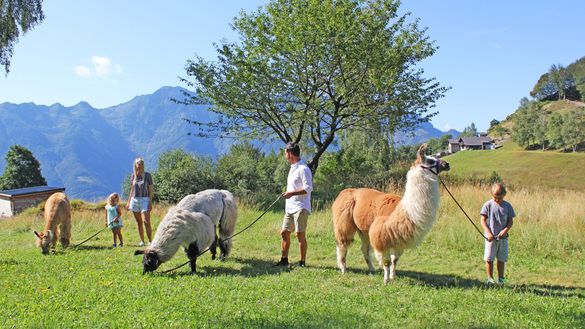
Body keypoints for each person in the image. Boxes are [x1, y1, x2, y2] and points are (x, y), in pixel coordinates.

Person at [274, 142, 313, 267]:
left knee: (299, 234)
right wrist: (288, 194)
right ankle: (284, 260)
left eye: (285, 152)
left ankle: (302, 262)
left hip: (301, 206)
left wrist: (291, 193)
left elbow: (308, 188)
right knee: (284, 232)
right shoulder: (292, 168)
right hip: (290, 207)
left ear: (290, 153)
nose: (284, 154)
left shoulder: (303, 169)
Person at [480, 182, 515, 285]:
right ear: (492, 195)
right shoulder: (488, 205)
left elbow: (510, 221)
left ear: (504, 195)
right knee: (489, 258)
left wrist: (505, 230)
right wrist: (488, 233)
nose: (497, 200)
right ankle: (490, 279)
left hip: (503, 238)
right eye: (495, 197)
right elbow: (482, 220)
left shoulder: (508, 206)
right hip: (490, 238)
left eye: (499, 198)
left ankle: (501, 278)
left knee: (501, 259)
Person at [126, 157, 154, 247]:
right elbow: (132, 190)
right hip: (135, 199)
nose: (140, 165)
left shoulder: (148, 175)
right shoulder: (133, 176)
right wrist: (128, 201)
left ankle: (150, 241)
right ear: (135, 165)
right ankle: (142, 241)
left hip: (145, 199)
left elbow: (150, 190)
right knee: (139, 222)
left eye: (142, 164)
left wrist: (150, 202)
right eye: (139, 163)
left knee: (146, 221)